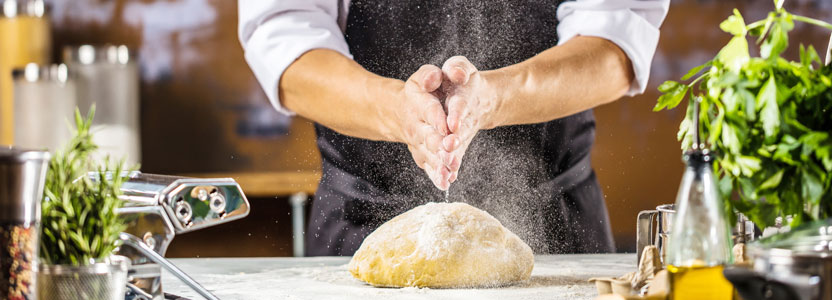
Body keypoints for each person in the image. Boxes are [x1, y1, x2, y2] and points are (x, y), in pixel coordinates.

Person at [239, 0, 669, 255]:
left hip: (555, 220)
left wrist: (493, 98)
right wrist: (396, 110)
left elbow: (616, 39)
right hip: (361, 223)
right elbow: (284, 35)